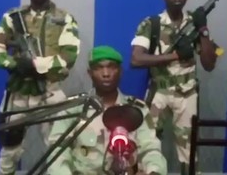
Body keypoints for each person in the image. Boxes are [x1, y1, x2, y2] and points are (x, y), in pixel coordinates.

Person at [0, 0, 80, 175]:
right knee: (9, 147)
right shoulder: (13, 17)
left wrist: (34, 65)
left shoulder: (64, 19)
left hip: (49, 90)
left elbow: (68, 57)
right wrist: (14, 64)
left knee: (59, 148)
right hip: (18, 92)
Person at [130, 0, 217, 174]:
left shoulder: (194, 25)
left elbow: (209, 64)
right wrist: (175, 55)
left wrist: (203, 29)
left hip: (187, 94)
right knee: (146, 145)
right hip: (158, 92)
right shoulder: (152, 24)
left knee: (189, 152)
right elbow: (136, 59)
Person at [47, 46, 167, 175]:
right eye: (98, 68)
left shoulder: (137, 109)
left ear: (120, 71)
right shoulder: (73, 109)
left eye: (112, 67)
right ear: (90, 73)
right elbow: (57, 152)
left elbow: (150, 149)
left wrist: (155, 171)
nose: (106, 73)